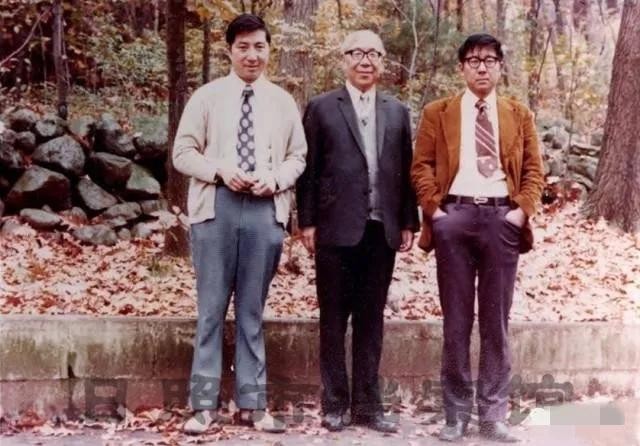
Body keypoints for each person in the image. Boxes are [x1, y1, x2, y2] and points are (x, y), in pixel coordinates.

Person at [172, 13, 307, 434]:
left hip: (265, 211)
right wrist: (219, 171)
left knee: (251, 311)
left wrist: (276, 179)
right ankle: (202, 406)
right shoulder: (207, 97)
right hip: (216, 208)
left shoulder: (282, 102)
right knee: (211, 310)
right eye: (243, 47)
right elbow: (182, 152)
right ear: (229, 50)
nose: (252, 55)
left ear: (269, 50)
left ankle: (253, 405)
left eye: (259, 47)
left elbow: (297, 157)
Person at [411, 33, 544, 443]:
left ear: (500, 67)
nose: (481, 67)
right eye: (473, 60)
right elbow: (421, 166)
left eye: (489, 60)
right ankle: (455, 415)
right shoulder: (439, 112)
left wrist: (519, 212)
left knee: (495, 322)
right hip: (455, 218)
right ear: (461, 68)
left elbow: (535, 171)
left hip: (502, 220)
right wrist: (437, 213)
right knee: (456, 321)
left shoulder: (519, 114)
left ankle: (493, 415)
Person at [296, 30, 419, 433]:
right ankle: (335, 405)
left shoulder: (397, 111)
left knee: (371, 320)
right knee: (333, 319)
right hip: (335, 230)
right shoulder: (321, 107)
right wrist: (307, 221)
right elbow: (309, 170)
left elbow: (405, 170)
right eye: (357, 53)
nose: (366, 61)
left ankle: (369, 406)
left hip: (380, 231)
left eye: (374, 54)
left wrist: (408, 220)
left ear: (383, 61)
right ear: (344, 59)